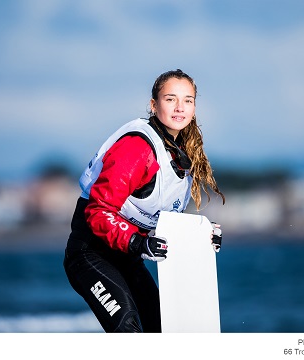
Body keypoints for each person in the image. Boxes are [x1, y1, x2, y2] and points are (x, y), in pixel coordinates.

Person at [63, 69, 225, 333]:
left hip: (127, 257)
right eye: (170, 99)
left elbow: (163, 221)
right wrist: (138, 243)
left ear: (195, 108)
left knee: (159, 329)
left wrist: (202, 236)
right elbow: (98, 211)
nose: (179, 107)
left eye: (188, 100)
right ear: (154, 105)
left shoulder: (179, 157)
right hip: (89, 253)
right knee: (127, 327)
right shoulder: (137, 148)